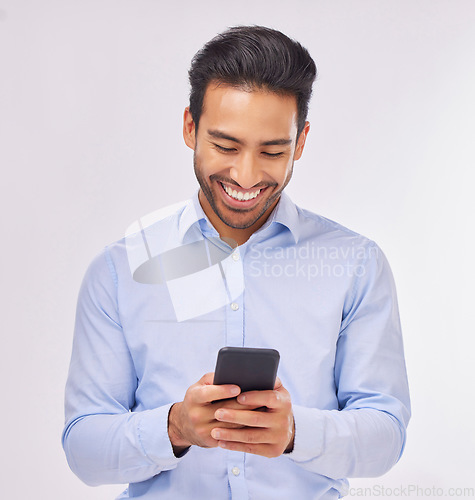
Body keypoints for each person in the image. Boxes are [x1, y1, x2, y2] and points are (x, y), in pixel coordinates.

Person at [62, 25, 411, 500]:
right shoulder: (120, 270)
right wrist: (175, 427)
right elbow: (83, 449)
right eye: (226, 146)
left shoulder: (355, 264)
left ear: (302, 141)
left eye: (272, 151)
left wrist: (295, 433)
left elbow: (386, 435)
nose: (246, 176)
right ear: (190, 127)